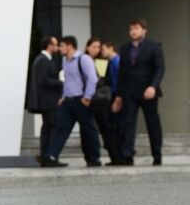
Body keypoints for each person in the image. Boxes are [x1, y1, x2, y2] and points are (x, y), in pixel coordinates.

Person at [42, 36, 102, 168]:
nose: (60, 49)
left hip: (81, 100)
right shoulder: (65, 61)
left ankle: (94, 158)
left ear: (69, 46)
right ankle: (51, 156)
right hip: (68, 101)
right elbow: (68, 81)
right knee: (61, 128)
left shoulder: (83, 59)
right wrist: (63, 96)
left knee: (88, 130)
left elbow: (92, 79)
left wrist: (87, 97)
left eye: (62, 46)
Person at [116, 19, 167, 167]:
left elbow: (160, 68)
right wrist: (119, 95)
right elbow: (121, 72)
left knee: (152, 123)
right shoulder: (125, 49)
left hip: (148, 91)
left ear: (144, 30)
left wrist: (153, 86)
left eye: (136, 28)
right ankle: (127, 155)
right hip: (129, 92)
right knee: (128, 123)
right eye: (131, 29)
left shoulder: (154, 47)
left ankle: (156, 154)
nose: (133, 31)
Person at [25, 35, 63, 163]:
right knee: (53, 127)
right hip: (48, 101)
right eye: (55, 44)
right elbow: (43, 80)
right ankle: (49, 157)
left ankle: (46, 156)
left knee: (48, 127)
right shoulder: (43, 60)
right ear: (49, 45)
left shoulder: (43, 60)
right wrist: (60, 83)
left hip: (47, 101)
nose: (58, 47)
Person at [87, 38, 121, 154]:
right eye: (95, 47)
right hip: (93, 96)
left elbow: (103, 80)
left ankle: (115, 150)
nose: (98, 50)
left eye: (100, 48)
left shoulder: (104, 62)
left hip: (102, 97)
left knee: (108, 124)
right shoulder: (84, 60)